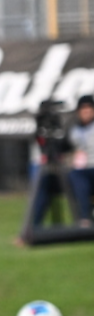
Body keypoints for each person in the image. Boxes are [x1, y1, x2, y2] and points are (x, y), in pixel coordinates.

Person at [67, 94, 94, 226]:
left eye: (89, 108)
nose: (86, 111)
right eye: (83, 109)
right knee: (76, 176)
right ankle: (84, 218)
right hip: (81, 168)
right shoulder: (74, 130)